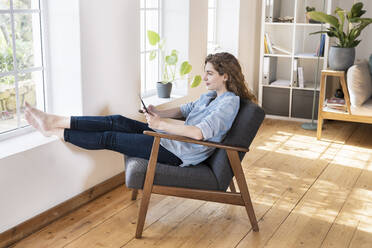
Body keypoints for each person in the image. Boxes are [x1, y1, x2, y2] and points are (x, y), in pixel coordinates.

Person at [25, 52, 256, 167]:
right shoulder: (210, 96)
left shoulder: (229, 103)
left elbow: (198, 133)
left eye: (210, 73)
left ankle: (56, 131)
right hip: (168, 137)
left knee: (111, 137)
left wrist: (160, 125)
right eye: (205, 71)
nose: (204, 77)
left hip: (178, 152)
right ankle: (55, 121)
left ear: (226, 76)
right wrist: (158, 113)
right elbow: (185, 110)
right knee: (116, 120)